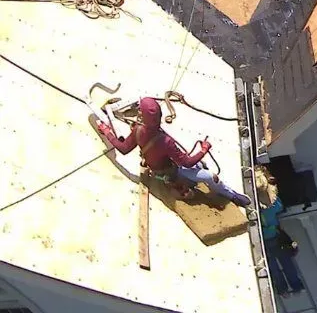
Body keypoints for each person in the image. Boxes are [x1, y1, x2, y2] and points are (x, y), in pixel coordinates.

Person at [97, 96, 251, 207]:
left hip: (159, 170)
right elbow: (186, 162)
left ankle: (197, 184)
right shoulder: (166, 141)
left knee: (200, 165)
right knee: (211, 176)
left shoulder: (137, 131)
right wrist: (204, 149)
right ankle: (231, 195)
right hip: (172, 172)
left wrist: (107, 131)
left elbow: (123, 149)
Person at [256, 167, 305, 296]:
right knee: (286, 262)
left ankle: (282, 289)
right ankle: (296, 286)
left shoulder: (258, 208)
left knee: (273, 267)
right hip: (276, 236)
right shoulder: (273, 204)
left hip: (263, 240)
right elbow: (280, 207)